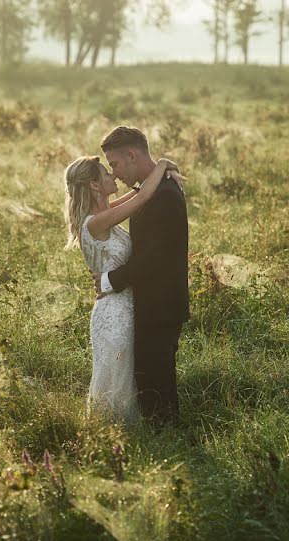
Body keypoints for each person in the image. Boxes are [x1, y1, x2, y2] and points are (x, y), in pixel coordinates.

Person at [64, 152, 182, 423]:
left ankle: (128, 436)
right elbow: (141, 198)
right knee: (117, 384)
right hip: (115, 313)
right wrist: (162, 164)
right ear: (94, 185)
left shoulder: (102, 214)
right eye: (107, 173)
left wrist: (157, 176)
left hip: (122, 305)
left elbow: (140, 193)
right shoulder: (96, 222)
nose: (113, 175)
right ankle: (114, 436)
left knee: (128, 380)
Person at [93, 126, 190, 425]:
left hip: (161, 306)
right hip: (146, 304)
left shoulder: (165, 195)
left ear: (132, 155)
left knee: (158, 390)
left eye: (115, 164)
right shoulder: (150, 191)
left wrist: (108, 281)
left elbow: (154, 258)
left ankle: (171, 447)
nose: (115, 173)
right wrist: (163, 165)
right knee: (148, 384)